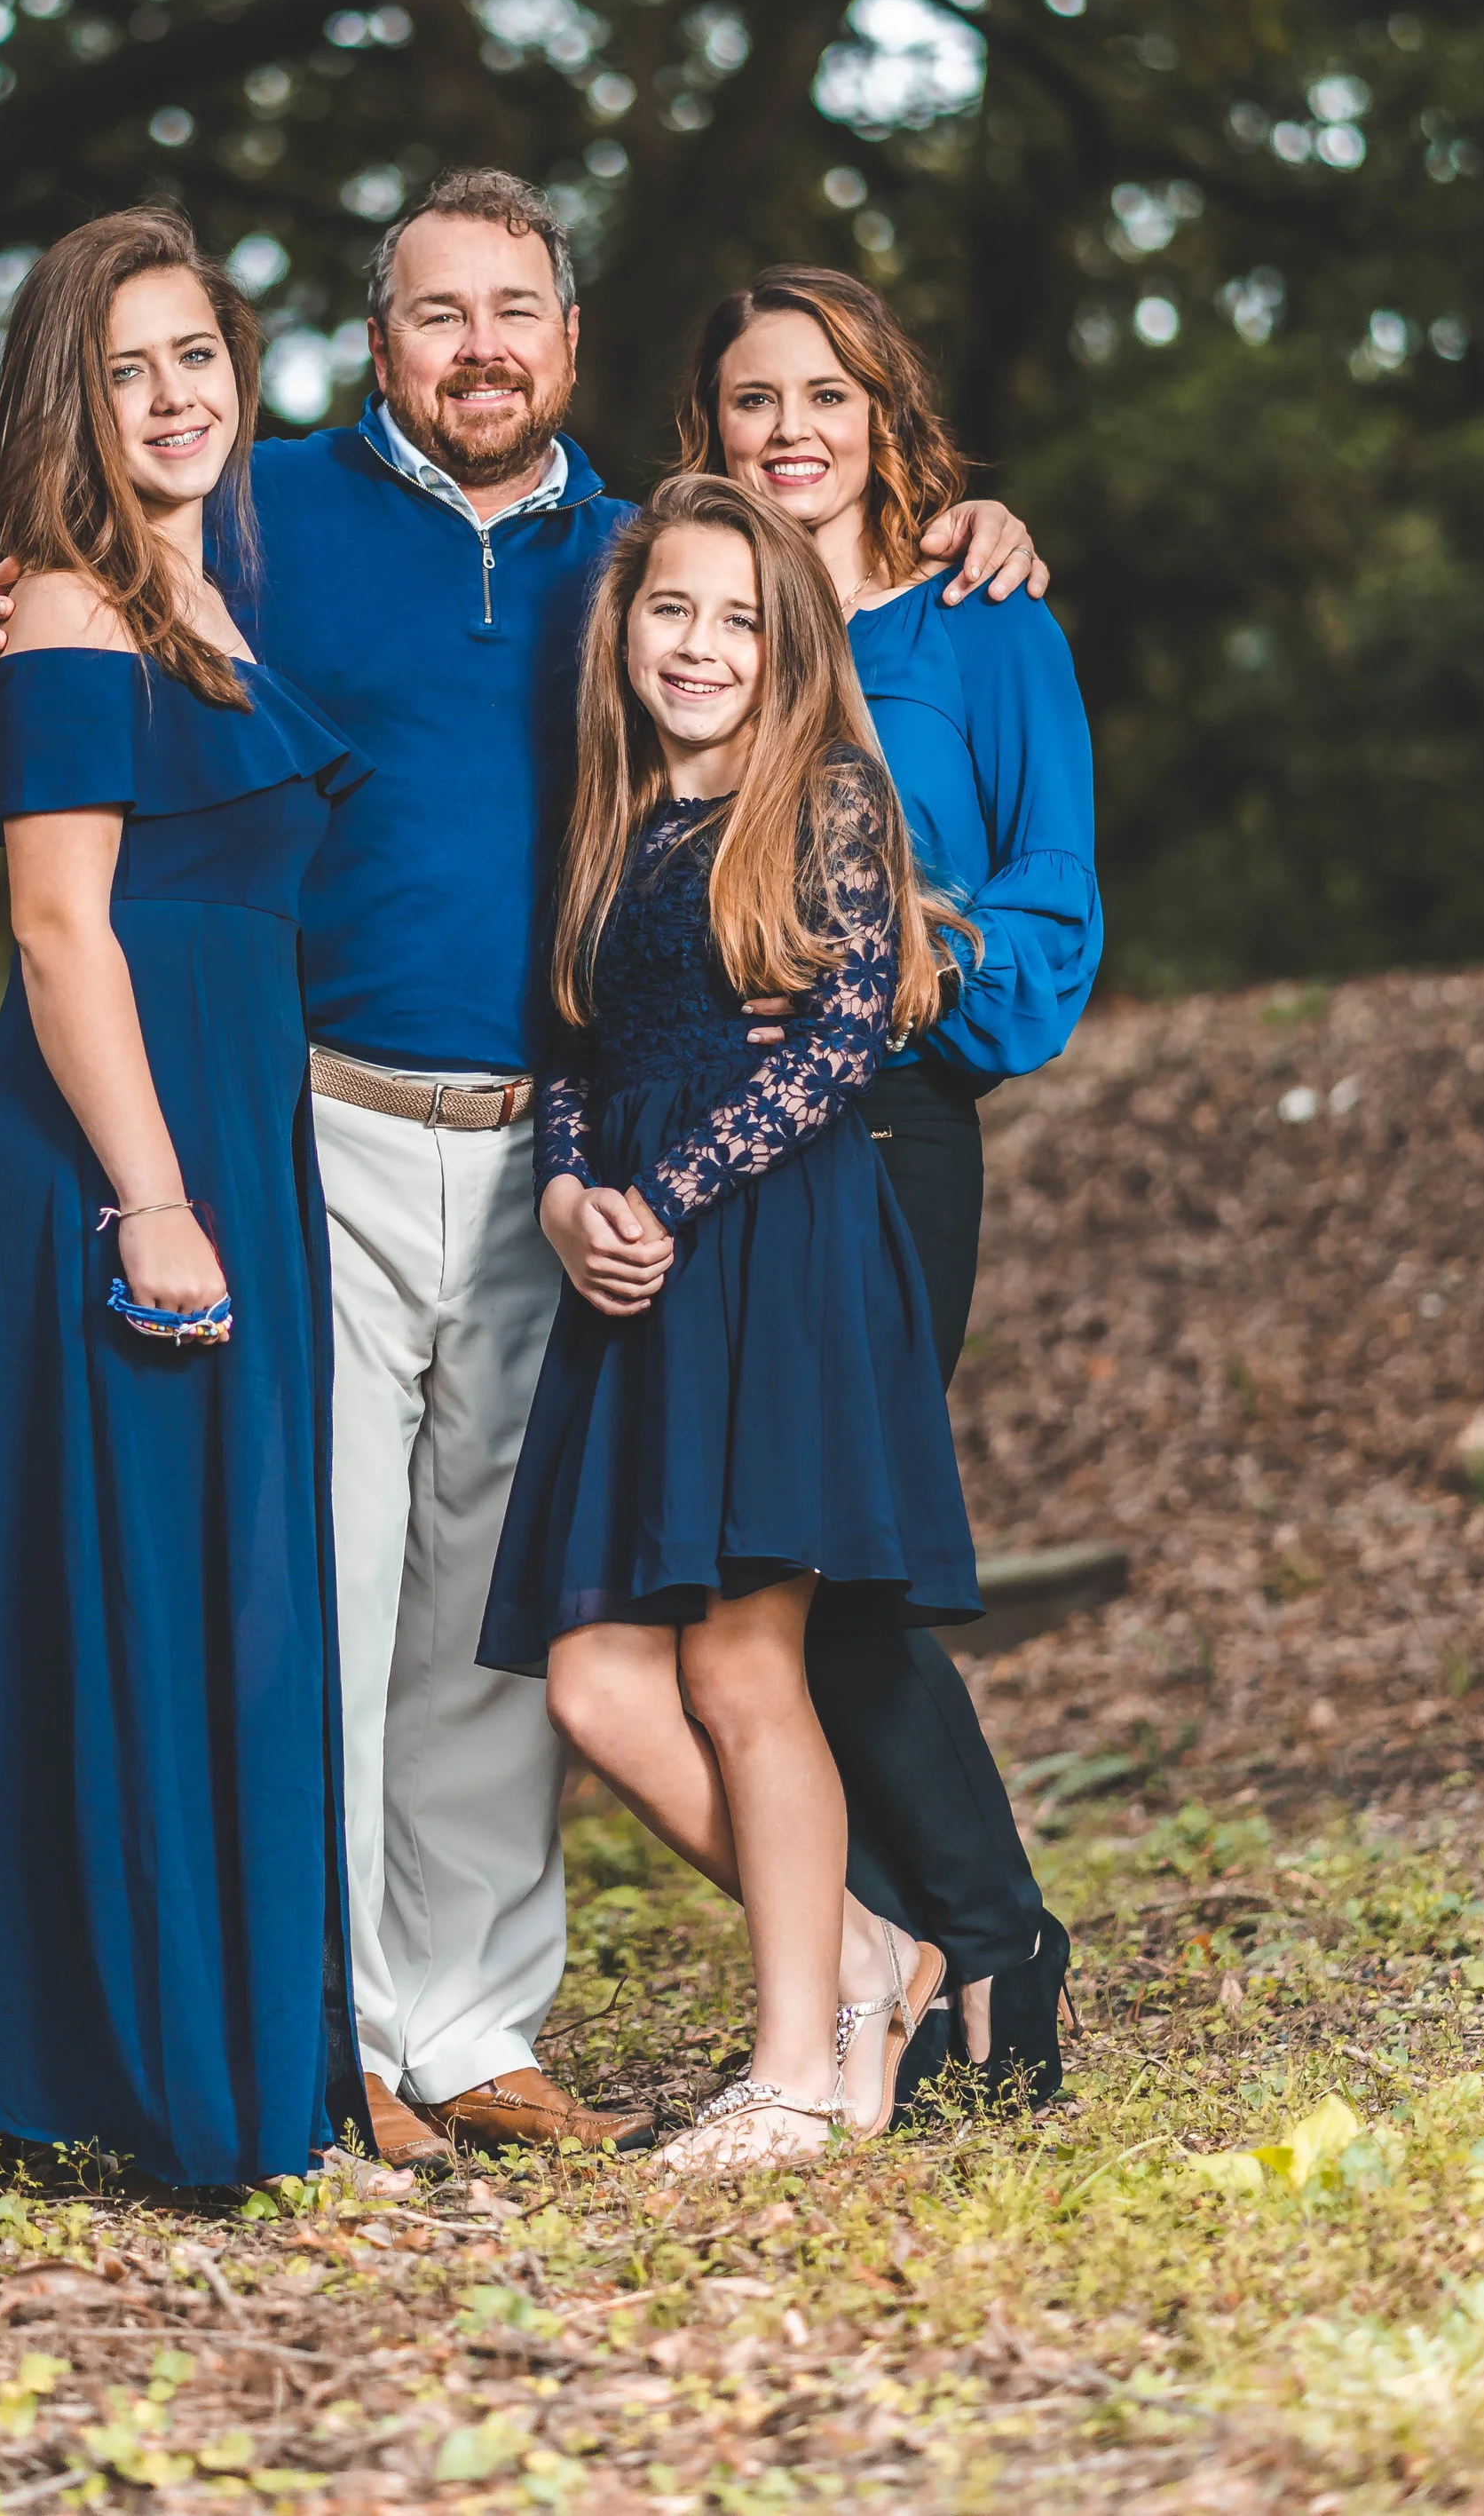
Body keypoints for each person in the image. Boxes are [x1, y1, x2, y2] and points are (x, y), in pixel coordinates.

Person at [0, 170, 1042, 2168]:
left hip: (552, 1151)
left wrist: (967, 521)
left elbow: (813, 618)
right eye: (437, 313)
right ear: (378, 340)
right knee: (326, 1589)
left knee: (492, 1618)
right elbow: (103, 602)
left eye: (514, 310)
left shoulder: (634, 554)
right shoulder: (258, 513)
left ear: (570, 339)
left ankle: (466, 2020)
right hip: (314, 1125)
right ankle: (327, 2023)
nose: (479, 348)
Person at [0, 206, 367, 2192]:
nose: (171, 399)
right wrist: (153, 1208)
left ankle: (152, 2050)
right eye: (125, 368)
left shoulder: (208, 591)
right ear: (66, 402)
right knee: (151, 1604)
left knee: (204, 1603)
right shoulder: (72, 611)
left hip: (219, 1143)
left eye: (196, 357)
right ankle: (149, 2077)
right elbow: (59, 932)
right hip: (113, 1161)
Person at [481, 474, 982, 2171]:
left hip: (766, 1248)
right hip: (627, 1258)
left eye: (738, 619)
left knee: (741, 1659)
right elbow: (571, 1048)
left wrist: (670, 1198)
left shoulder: (827, 795)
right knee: (596, 1681)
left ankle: (788, 2065)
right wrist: (568, 1195)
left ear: (789, 647)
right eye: (669, 610)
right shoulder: (611, 816)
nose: (698, 645)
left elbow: (841, 1045)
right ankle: (862, 1950)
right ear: (622, 629)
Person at [674, 268, 1101, 2112]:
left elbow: (1054, 914)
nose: (788, 432)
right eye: (753, 400)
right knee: (745, 1573)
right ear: (710, 432)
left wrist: (898, 952)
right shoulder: (675, 606)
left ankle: (983, 1948)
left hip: (884, 1139)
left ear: (879, 416)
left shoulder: (981, 616)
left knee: (827, 1561)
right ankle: (896, 1968)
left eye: (823, 396)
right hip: (701, 1154)